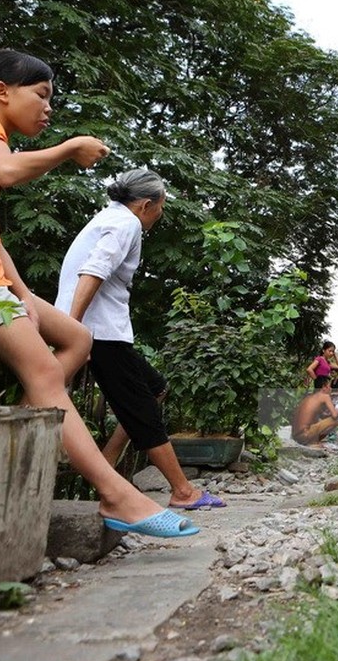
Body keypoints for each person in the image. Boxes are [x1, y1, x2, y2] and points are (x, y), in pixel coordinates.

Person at [0, 49, 196, 538]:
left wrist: (22, 297)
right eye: (41, 95)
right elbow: (13, 170)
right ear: (2, 93)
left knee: (77, 338)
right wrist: (69, 147)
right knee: (43, 372)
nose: (48, 108)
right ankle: (117, 496)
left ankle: (14, 434)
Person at [55, 168, 224, 511]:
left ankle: (108, 458)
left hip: (100, 329)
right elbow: (94, 271)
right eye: (161, 206)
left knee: (154, 388)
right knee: (142, 408)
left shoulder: (109, 218)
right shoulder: (125, 223)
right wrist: (73, 331)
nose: (160, 214)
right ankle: (182, 491)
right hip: (98, 332)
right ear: (147, 204)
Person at [290, 375, 338, 447]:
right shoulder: (324, 396)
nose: (331, 389)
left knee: (316, 420)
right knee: (335, 421)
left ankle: (313, 441)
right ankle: (313, 442)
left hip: (296, 436)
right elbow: (335, 416)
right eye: (329, 386)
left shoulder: (310, 397)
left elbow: (322, 416)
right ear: (324, 387)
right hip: (305, 435)